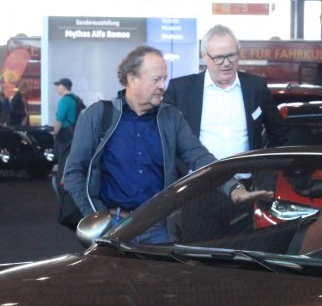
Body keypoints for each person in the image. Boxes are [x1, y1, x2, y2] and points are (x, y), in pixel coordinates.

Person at [62, 45, 219, 236]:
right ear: (132, 79)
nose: (163, 86)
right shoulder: (98, 115)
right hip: (112, 227)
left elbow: (198, 156)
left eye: (164, 79)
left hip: (158, 228)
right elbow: (73, 173)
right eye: (156, 79)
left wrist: (233, 187)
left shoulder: (171, 118)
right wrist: (96, 218)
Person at [163, 24, 286, 159]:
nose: (226, 63)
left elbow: (279, 131)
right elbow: (166, 138)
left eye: (231, 55)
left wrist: (266, 165)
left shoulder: (256, 87)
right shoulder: (180, 89)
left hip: (247, 172)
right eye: (218, 58)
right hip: (198, 172)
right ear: (204, 56)